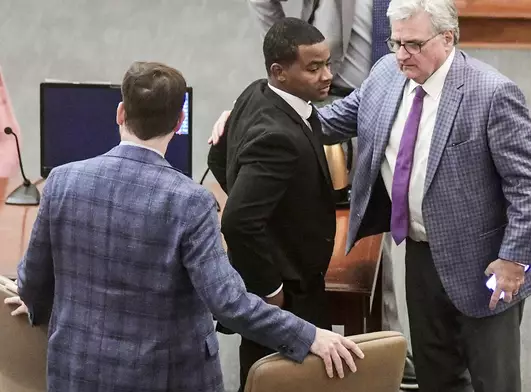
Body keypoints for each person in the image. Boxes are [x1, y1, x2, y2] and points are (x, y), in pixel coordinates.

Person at [211, 0, 531, 390]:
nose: (401, 55)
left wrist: (513, 261)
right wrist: (244, 115)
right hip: (422, 256)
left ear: (447, 38)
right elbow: (323, 122)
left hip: (486, 265)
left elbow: (530, 186)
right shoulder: (387, 74)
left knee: (493, 380)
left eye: (413, 45)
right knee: (436, 372)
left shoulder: (492, 94)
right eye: (396, 42)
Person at [3, 61, 363, 392]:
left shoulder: (62, 182)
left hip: (75, 375)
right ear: (179, 123)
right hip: (167, 379)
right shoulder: (190, 201)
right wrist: (309, 336)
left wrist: (33, 299)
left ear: (120, 113)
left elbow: (32, 282)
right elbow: (230, 304)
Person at [245, 2, 419, 389]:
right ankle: (356, 349)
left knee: (377, 230)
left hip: (387, 95)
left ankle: (383, 348)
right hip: (317, 97)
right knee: (330, 230)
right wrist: (270, 101)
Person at [207, 18, 338, 392]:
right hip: (288, 293)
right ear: (279, 72)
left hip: (292, 279)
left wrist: (263, 205)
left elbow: (218, 157)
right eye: (314, 68)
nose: (327, 75)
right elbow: (237, 223)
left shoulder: (255, 92)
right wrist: (270, 288)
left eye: (327, 63)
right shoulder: (277, 138)